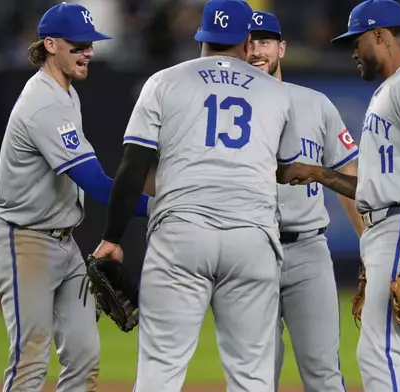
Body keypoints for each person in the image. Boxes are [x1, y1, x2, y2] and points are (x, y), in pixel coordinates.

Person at [89, 0, 316, 390]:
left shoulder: (164, 81)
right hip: (252, 237)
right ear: (247, 41)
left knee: (161, 368)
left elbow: (132, 168)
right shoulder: (279, 95)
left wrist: (112, 237)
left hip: (181, 233)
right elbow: (287, 170)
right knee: (251, 374)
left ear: (202, 38)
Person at [285, 0, 400, 391]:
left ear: (380, 35)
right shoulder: (390, 90)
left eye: (356, 39)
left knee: (377, 349)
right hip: (392, 223)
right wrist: (316, 173)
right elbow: (371, 190)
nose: (352, 51)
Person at [0, 3, 150, 391]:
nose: (88, 51)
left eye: (90, 44)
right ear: (50, 44)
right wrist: (159, 207)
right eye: (78, 45)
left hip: (63, 242)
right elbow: (98, 185)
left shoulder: (65, 93)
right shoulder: (43, 104)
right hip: (23, 241)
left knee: (84, 357)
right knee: (31, 360)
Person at [247, 11, 364, 392]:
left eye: (264, 41)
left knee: (323, 371)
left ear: (282, 47)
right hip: (249, 249)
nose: (256, 49)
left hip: (308, 249)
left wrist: (371, 247)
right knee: (256, 374)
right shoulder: (227, 109)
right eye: (248, 42)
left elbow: (350, 179)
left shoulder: (317, 105)